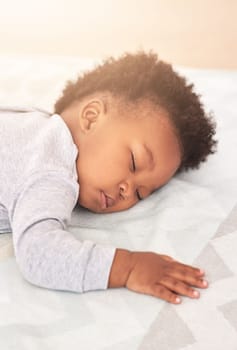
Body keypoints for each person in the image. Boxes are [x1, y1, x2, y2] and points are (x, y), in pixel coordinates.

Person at [0, 51, 217, 304]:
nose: (127, 189)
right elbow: (38, 254)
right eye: (134, 162)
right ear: (91, 117)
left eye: (140, 193)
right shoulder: (52, 168)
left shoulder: (28, 120)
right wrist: (129, 267)